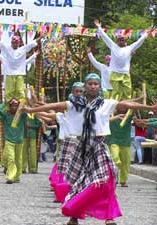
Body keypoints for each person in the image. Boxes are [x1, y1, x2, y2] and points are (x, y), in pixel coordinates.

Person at [23, 73, 157, 225]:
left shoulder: (106, 103)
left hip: (99, 146)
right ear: (85, 86)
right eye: (90, 84)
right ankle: (74, 216)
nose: (93, 86)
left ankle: (109, 217)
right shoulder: (73, 104)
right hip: (81, 147)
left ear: (99, 87)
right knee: (79, 183)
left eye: (96, 84)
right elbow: (54, 106)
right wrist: (31, 110)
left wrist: (149, 107)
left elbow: (126, 105)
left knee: (107, 180)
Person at [94, 19, 149, 101]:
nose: (121, 41)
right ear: (117, 41)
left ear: (125, 41)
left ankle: (128, 110)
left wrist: (146, 34)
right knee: (115, 94)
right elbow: (105, 37)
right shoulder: (113, 46)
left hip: (125, 74)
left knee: (127, 93)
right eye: (119, 40)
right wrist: (99, 27)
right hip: (115, 73)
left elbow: (139, 42)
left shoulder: (129, 48)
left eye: (122, 40)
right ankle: (112, 111)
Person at [0, 31, 43, 102]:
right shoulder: (7, 49)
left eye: (16, 43)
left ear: (19, 43)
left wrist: (40, 38)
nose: (15, 44)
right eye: (13, 43)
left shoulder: (22, 49)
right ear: (11, 43)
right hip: (9, 74)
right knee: (9, 93)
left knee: (20, 92)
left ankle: (21, 107)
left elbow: (31, 44)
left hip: (19, 74)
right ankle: (8, 108)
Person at [0, 98, 27, 184]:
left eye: (16, 105)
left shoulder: (21, 115)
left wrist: (21, 103)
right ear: (9, 106)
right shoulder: (6, 116)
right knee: (11, 159)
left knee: (18, 160)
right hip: (9, 141)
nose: (14, 107)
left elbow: (28, 109)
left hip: (19, 141)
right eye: (12, 105)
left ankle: (17, 177)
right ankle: (10, 177)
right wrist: (6, 101)